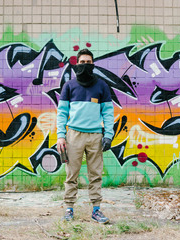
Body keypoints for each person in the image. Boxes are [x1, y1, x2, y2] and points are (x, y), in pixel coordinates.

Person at [56, 48, 114, 224]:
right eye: (82, 63)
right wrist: (61, 136)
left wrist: (108, 135)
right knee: (71, 174)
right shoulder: (69, 86)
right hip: (73, 135)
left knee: (95, 174)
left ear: (93, 64)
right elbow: (62, 113)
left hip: (95, 136)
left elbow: (108, 112)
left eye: (88, 63)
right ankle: (68, 209)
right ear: (77, 64)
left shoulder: (102, 86)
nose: (85, 66)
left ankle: (96, 210)